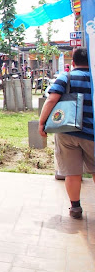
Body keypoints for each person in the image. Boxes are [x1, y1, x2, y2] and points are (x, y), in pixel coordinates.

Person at [38, 47, 93, 219]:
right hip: (92, 133)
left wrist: (42, 123)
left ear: (73, 62)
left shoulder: (66, 77)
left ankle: (75, 207)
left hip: (67, 130)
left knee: (72, 172)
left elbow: (52, 99)